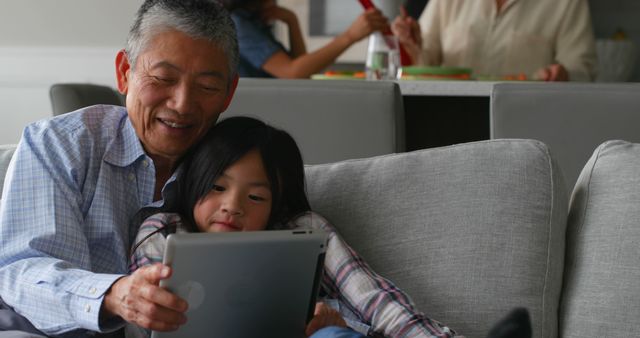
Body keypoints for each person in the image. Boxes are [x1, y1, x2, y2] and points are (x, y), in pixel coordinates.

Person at [0, 0, 240, 336]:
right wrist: (113, 295)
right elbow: (23, 269)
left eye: (207, 87)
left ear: (229, 94)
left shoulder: (240, 167)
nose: (182, 104)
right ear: (124, 73)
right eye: (163, 78)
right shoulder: (58, 143)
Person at [126, 116, 459, 338]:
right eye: (217, 187)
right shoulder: (163, 232)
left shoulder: (304, 229)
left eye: (256, 196)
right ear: (192, 182)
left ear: (277, 203)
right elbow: (147, 323)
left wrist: (338, 324)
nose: (233, 206)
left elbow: (375, 299)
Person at [392, 0, 597, 81]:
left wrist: (564, 75)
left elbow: (583, 70)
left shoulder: (567, 3)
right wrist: (414, 46)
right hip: (450, 124)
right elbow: (427, 62)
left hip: (525, 129)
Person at [220, 0, 389, 78]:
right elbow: (292, 72)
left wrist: (292, 22)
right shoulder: (239, 24)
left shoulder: (253, 21)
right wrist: (350, 36)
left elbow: (302, 70)